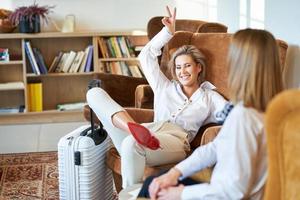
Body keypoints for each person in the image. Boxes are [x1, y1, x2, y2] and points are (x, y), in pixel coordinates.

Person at [86, 6, 227, 189]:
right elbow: (146, 56)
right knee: (93, 93)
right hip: (148, 130)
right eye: (178, 67)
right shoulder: (165, 87)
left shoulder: (209, 97)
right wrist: (167, 33)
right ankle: (131, 126)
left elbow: (232, 114)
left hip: (175, 139)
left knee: (131, 144)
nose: (182, 72)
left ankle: (134, 137)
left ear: (198, 67)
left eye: (187, 66)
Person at [138, 24, 284, 200]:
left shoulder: (243, 116)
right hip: (217, 185)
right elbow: (215, 148)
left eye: (233, 59)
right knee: (153, 182)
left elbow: (233, 191)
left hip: (222, 193)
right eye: (178, 67)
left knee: (151, 188)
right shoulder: (265, 110)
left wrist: (180, 193)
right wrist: (175, 172)